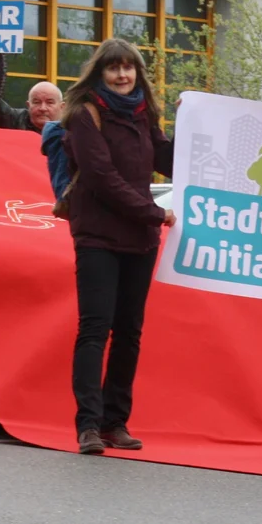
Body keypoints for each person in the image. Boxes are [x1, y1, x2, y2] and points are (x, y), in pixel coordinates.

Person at [59, 38, 175, 456]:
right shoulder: (84, 114)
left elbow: (167, 157)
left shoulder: (145, 114)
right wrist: (153, 213)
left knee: (129, 332)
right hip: (98, 236)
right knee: (95, 329)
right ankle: (88, 425)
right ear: (100, 73)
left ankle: (115, 422)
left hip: (139, 239)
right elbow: (101, 177)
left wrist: (204, 134)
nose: (123, 75)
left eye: (129, 68)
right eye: (114, 68)